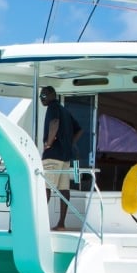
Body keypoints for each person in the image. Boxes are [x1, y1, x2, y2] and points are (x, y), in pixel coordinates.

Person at [40, 86, 84, 230]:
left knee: (45, 188)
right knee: (64, 189)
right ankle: (61, 224)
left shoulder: (53, 107)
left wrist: (49, 143)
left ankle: (38, 224)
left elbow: (54, 123)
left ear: (53, 95)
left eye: (44, 96)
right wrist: (69, 144)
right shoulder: (65, 110)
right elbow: (80, 130)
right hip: (65, 157)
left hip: (53, 155)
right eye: (41, 96)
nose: (42, 98)